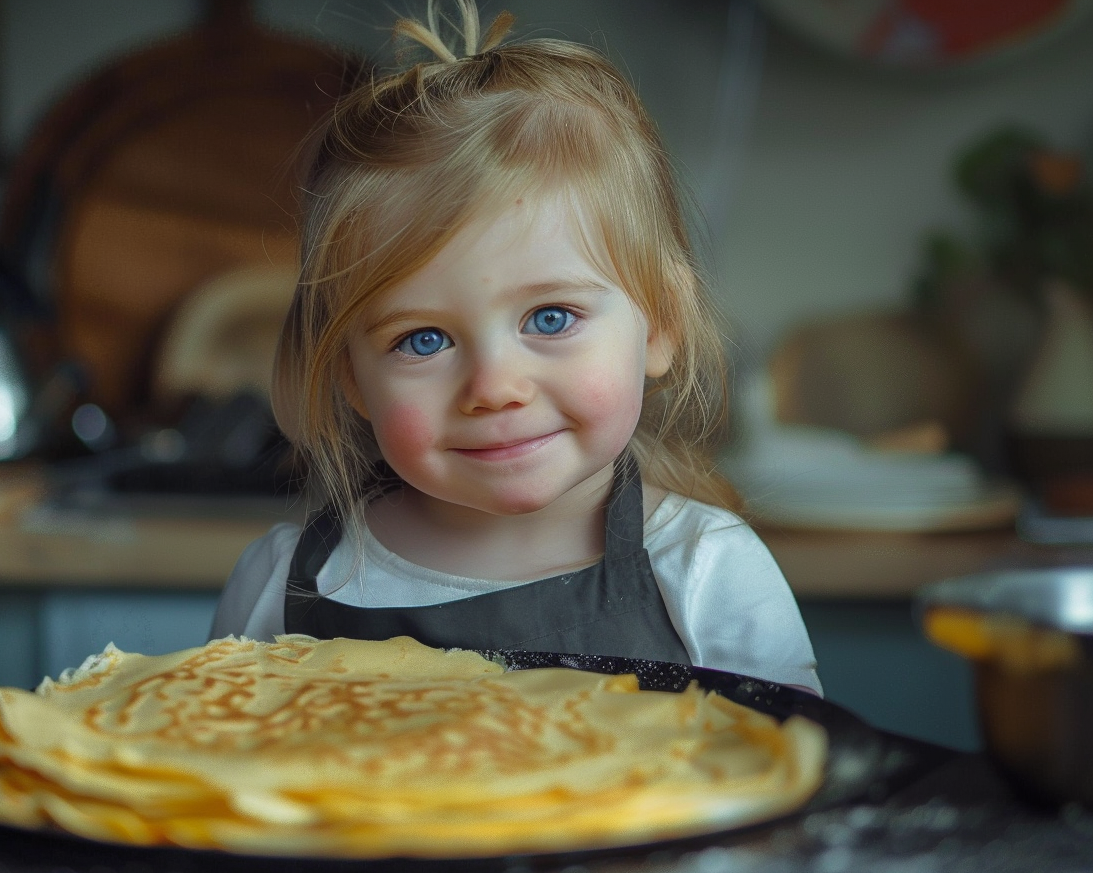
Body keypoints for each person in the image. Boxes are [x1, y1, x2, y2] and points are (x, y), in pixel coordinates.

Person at [211, 0, 821, 695]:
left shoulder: (707, 573)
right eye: (424, 339)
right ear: (350, 373)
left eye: (551, 319)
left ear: (659, 324)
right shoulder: (282, 589)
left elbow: (792, 779)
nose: (495, 386)